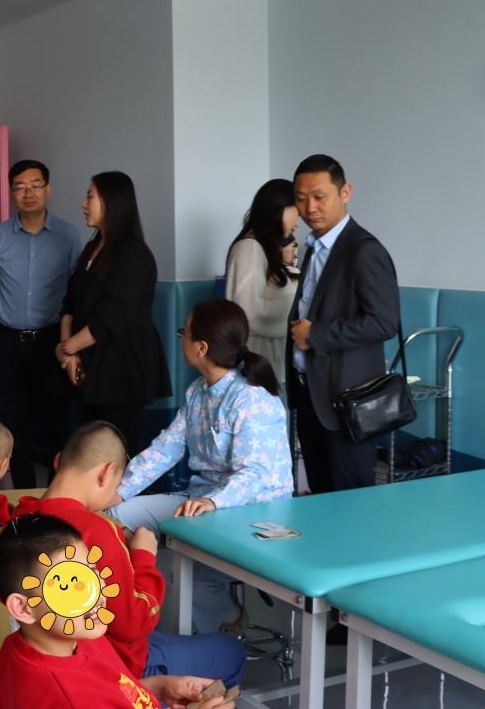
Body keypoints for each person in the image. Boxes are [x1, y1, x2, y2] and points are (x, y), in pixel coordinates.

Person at [107, 298, 293, 633]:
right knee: (113, 517)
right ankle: (130, 620)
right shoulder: (198, 392)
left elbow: (255, 474)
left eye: (184, 332)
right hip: (200, 501)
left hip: (252, 511)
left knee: (188, 573)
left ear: (201, 348)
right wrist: (116, 492)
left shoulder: (251, 398)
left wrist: (213, 501)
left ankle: (222, 627)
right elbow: (165, 449)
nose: (180, 338)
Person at [14, 422, 245, 687]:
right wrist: (143, 556)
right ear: (106, 473)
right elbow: (133, 625)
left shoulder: (21, 516)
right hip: (117, 667)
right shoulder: (96, 532)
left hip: (52, 659)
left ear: (57, 462)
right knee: (231, 651)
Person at [0, 513, 235, 709]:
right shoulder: (65, 696)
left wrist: (157, 686)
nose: (97, 594)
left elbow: (108, 691)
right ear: (23, 608)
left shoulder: (66, 637)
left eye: (93, 573)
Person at [288, 154, 400, 493]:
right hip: (310, 392)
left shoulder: (363, 250)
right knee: (320, 495)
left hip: (345, 400)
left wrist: (316, 335)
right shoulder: (314, 247)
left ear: (345, 192)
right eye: (301, 198)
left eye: (319, 196)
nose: (310, 208)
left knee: (350, 499)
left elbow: (384, 322)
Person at [0, 160, 85, 488]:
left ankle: (56, 495)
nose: (28, 193)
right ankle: (24, 494)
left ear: (48, 189)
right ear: (11, 193)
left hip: (51, 343)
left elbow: (75, 292)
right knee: (14, 426)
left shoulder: (69, 236)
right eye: (20, 187)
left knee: (56, 425)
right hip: (8, 344)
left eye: (35, 185)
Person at [56, 171, 171, 456]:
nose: (84, 204)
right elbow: (70, 304)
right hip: (88, 364)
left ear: (112, 201)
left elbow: (113, 317)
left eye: (90, 196)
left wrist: (69, 348)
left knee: (118, 451)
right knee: (88, 450)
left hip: (121, 370)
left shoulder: (133, 254)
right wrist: (68, 353)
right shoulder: (93, 247)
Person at [224, 179, 299, 385]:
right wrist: (299, 304)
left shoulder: (263, 249)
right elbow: (249, 312)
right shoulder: (248, 248)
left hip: (267, 366)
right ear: (279, 208)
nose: (298, 219)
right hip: (257, 368)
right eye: (296, 208)